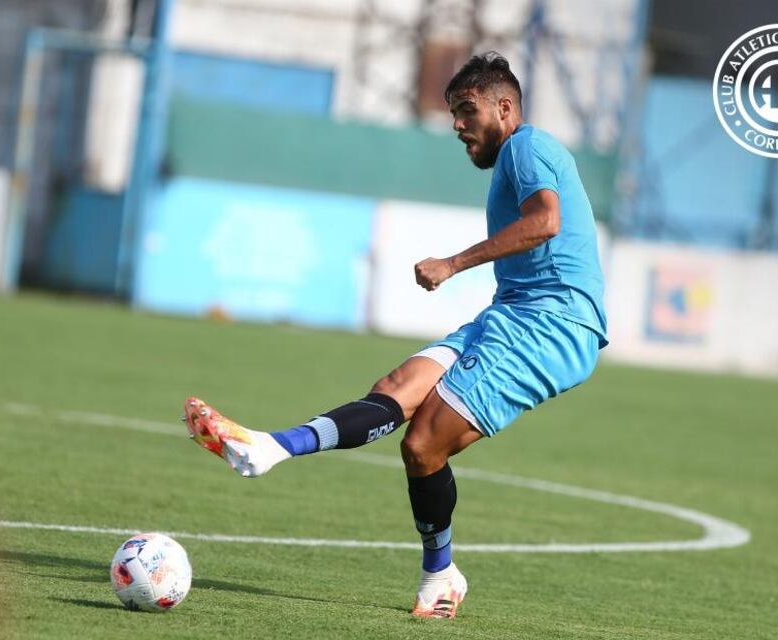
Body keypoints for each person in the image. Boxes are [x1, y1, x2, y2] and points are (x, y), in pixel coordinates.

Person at [183, 51, 607, 619]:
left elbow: (545, 222)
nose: (457, 123)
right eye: (453, 111)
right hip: (512, 312)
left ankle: (440, 574)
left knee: (422, 444)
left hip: (552, 324)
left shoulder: (527, 146)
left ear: (505, 107)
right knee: (398, 386)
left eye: (466, 109)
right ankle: (270, 447)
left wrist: (453, 264)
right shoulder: (519, 154)